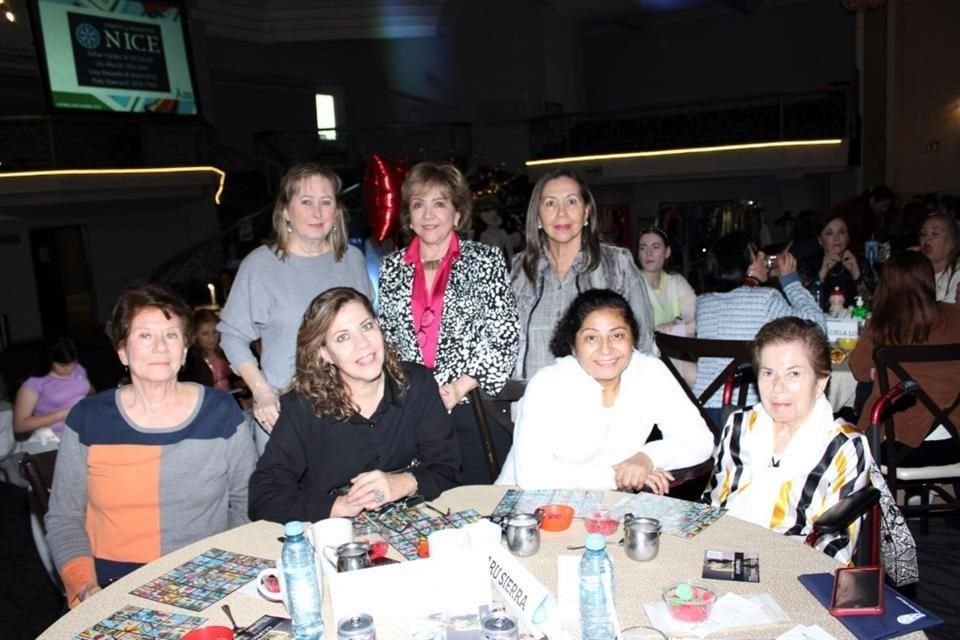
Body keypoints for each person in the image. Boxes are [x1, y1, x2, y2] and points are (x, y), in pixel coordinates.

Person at [45, 284, 257, 607]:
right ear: (122, 351)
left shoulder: (222, 413)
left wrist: (223, 572)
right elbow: (64, 518)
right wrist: (85, 587)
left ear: (185, 350)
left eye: (171, 335)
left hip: (204, 582)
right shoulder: (88, 419)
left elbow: (247, 506)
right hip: (111, 587)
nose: (160, 347)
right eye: (145, 336)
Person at [249, 288, 461, 522]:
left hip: (413, 526)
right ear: (324, 353)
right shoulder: (302, 407)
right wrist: (338, 506)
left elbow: (449, 467)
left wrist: (403, 483)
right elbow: (264, 497)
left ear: (379, 326)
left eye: (366, 326)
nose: (362, 344)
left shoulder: (416, 384)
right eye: (342, 337)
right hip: (335, 538)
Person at [378, 161, 519, 485]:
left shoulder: (485, 260)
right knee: (424, 510)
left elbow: (505, 334)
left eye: (439, 203)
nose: (428, 215)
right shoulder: (391, 269)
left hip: (471, 406)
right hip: (411, 413)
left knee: (479, 511)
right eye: (418, 205)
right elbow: (387, 340)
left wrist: (458, 387)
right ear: (408, 218)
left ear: (457, 214)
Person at [218, 163, 372, 450]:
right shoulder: (260, 266)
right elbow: (232, 336)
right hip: (286, 415)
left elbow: (369, 333)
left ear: (336, 212)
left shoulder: (352, 259)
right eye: (306, 202)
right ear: (286, 211)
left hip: (351, 412)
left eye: (326, 202)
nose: (317, 212)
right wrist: (262, 393)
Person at [497, 289, 712, 492]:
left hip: (604, 508)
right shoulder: (548, 384)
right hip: (525, 508)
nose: (606, 349)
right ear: (573, 345)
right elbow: (532, 475)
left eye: (617, 335)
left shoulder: (650, 373)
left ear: (633, 339)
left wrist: (647, 458)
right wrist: (616, 477)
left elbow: (700, 441)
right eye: (591, 338)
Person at [705, 317, 872, 564]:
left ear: (821, 381)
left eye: (793, 374)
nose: (777, 387)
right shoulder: (739, 426)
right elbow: (714, 504)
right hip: (724, 554)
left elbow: (836, 547)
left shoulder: (844, 447)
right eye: (768, 373)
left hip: (796, 567)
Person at [511, 169, 654, 380]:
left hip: (600, 404)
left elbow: (643, 342)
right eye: (550, 203)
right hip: (528, 404)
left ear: (586, 212)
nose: (561, 213)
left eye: (571, 202)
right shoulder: (518, 270)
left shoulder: (617, 265)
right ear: (538, 217)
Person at [693, 232, 824, 425]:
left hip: (704, 414)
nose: (763, 256)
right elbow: (817, 328)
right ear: (741, 264)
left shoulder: (703, 303)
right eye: (756, 254)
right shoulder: (766, 299)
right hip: (749, 416)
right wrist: (790, 280)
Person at [849, 252, 960, 465]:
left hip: (900, 447)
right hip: (954, 442)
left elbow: (858, 369)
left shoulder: (881, 325)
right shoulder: (955, 315)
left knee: (864, 393)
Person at [12, 337, 94, 454]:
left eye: (73, 363)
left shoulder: (79, 369)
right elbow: (19, 426)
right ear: (50, 361)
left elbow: (88, 390)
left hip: (84, 429)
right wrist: (64, 414)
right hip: (53, 437)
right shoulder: (34, 383)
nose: (69, 369)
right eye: (62, 365)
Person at [637, 226, 697, 385]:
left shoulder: (675, 280)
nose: (648, 253)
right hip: (645, 359)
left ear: (667, 252)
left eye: (655, 247)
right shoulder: (633, 283)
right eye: (643, 248)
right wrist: (678, 323)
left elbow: (698, 317)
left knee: (703, 379)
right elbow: (640, 332)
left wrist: (670, 325)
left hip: (674, 356)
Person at [811, 214, 871, 310]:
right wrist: (820, 276)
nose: (836, 238)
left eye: (841, 232)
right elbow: (804, 308)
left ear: (848, 237)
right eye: (829, 233)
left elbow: (871, 307)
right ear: (820, 240)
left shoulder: (860, 262)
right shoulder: (810, 264)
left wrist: (857, 276)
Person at [180, 309, 235, 393]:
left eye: (215, 332)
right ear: (195, 335)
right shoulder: (189, 361)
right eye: (205, 334)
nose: (212, 338)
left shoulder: (227, 351)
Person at [918, 212, 959, 303]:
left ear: (953, 242)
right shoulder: (913, 269)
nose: (927, 239)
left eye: (935, 233)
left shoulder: (957, 273)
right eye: (923, 234)